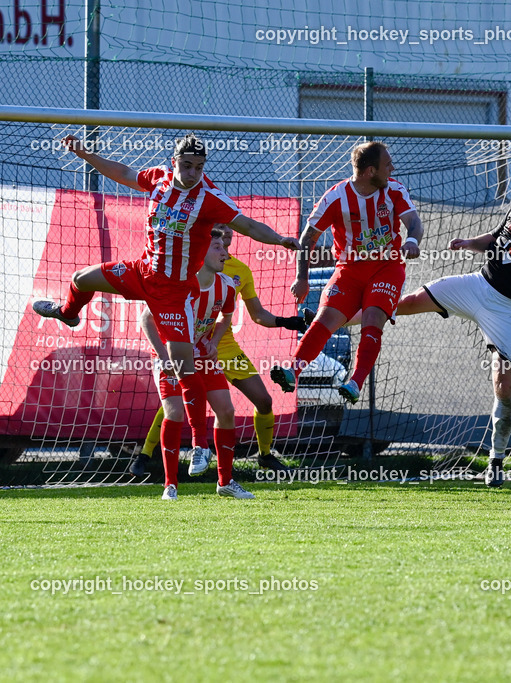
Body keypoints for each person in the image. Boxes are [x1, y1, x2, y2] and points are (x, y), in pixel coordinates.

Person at [32, 134, 300, 478]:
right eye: (187, 166)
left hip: (174, 293)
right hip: (142, 273)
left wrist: (279, 239)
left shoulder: (208, 197)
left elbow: (246, 225)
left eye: (200, 167)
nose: (193, 173)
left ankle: (200, 448)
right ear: (174, 162)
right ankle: (68, 314)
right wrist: (85, 153)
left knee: (183, 368)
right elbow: (125, 174)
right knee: (81, 279)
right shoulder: (158, 177)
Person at [392, 166, 511, 488]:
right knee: (407, 303)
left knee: (504, 387)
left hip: (510, 311)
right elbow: (494, 239)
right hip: (478, 285)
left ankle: (496, 460)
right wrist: (468, 243)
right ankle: (339, 316)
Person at [131, 224, 310, 478]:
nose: (225, 235)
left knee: (263, 401)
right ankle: (146, 455)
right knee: (176, 401)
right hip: (191, 345)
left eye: (229, 229)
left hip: (222, 346)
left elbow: (257, 315)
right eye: (219, 229)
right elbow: (150, 315)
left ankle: (265, 455)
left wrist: (287, 321)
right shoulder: (190, 265)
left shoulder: (240, 271)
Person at [270, 141, 423, 404]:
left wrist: (412, 240)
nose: (393, 168)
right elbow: (308, 238)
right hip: (350, 271)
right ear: (370, 171)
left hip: (387, 268)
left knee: (373, 316)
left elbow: (414, 222)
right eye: (387, 164)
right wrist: (302, 277)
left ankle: (355, 382)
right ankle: (292, 372)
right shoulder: (335, 197)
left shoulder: (394, 190)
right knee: (324, 319)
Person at [140, 230, 253, 500]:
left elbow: (226, 316)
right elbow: (146, 319)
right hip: (171, 354)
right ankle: (170, 485)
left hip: (202, 353)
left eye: (224, 247)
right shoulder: (178, 283)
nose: (225, 252)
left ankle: (225, 481)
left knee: (226, 410)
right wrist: (162, 356)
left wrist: (214, 340)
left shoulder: (226, 285)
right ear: (199, 252)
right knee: (174, 412)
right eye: (216, 247)